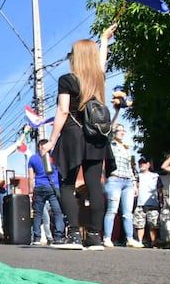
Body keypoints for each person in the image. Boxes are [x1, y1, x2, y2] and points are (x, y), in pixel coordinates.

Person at [42, 24, 117, 251]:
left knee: (67, 184)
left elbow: (63, 111)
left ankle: (74, 235)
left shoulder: (67, 80)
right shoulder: (98, 79)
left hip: (72, 135)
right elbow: (100, 62)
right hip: (96, 136)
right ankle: (94, 236)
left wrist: (52, 141)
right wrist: (104, 40)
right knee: (95, 185)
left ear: (75, 58)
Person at [103, 123, 143, 248]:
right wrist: (116, 111)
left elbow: (130, 167)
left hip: (127, 182)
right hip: (114, 180)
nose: (122, 132)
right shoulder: (110, 145)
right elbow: (107, 132)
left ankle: (130, 239)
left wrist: (134, 184)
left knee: (128, 213)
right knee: (112, 210)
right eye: (119, 130)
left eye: (123, 131)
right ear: (114, 132)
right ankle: (107, 237)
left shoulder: (126, 148)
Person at [0, 128, 27, 242]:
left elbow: (17, 144)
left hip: (4, 186)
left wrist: (25, 132)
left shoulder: (4, 153)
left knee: (6, 211)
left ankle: (6, 233)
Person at [29, 139, 67, 247]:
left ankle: (36, 238)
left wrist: (31, 191)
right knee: (57, 212)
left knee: (38, 214)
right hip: (52, 187)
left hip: (39, 187)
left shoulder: (33, 158)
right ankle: (59, 236)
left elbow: (31, 177)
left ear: (39, 146)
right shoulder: (54, 157)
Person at [133, 157, 163, 247]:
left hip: (153, 203)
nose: (142, 165)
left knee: (153, 224)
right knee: (139, 224)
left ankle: (153, 243)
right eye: (140, 163)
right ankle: (140, 241)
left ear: (148, 165)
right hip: (140, 203)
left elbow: (159, 189)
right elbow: (135, 187)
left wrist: (161, 201)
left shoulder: (155, 176)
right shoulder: (137, 176)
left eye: (144, 163)